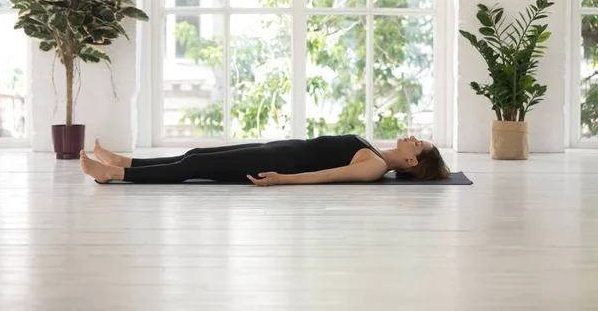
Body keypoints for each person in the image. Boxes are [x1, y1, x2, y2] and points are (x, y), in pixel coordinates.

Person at [80, 135, 450, 185]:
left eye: (419, 145)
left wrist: (280, 180)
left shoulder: (375, 166)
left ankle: (114, 174)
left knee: (193, 169)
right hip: (278, 148)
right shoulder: (376, 150)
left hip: (279, 163)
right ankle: (126, 160)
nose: (413, 138)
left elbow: (324, 175)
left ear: (413, 162)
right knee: (196, 154)